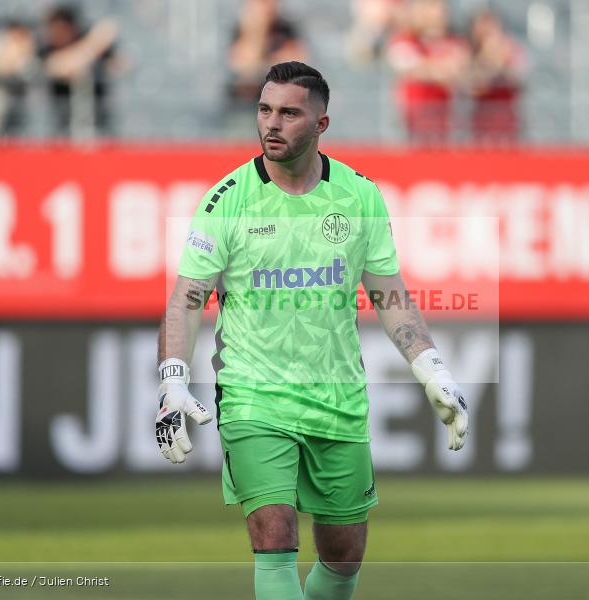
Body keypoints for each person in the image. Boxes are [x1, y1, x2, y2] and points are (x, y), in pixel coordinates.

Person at [156, 62, 469, 600]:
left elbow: (389, 295)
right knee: (275, 538)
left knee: (343, 561)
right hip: (254, 396)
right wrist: (172, 379)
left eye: (289, 113)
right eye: (264, 110)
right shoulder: (227, 200)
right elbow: (187, 297)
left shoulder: (360, 196)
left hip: (338, 398)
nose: (271, 123)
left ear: (321, 124)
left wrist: (432, 369)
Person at [385, 0, 469, 143]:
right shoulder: (405, 39)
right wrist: (439, 70)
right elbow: (404, 64)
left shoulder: (455, 40)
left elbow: (460, 69)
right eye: (431, 7)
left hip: (445, 118)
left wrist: (426, 69)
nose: (436, 13)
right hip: (412, 117)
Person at [38, 5, 122, 138]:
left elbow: (119, 65)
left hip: (97, 116)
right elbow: (57, 66)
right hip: (59, 117)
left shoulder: (84, 39)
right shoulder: (45, 48)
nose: (56, 34)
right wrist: (95, 43)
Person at [227, 0, 308, 107]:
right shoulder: (241, 29)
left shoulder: (285, 28)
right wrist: (258, 29)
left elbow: (299, 62)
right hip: (247, 101)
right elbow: (245, 68)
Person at [467, 9, 526, 142]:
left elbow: (518, 79)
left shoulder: (512, 50)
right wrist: (486, 61)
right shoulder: (470, 53)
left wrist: (500, 62)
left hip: (507, 121)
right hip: (480, 122)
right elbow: (474, 86)